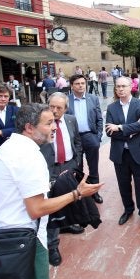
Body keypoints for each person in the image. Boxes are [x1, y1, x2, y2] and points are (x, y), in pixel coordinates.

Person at [0, 103, 102, 279]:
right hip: (25, 240)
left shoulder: (9, 147)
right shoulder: (29, 156)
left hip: (5, 234)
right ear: (29, 128)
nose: (55, 127)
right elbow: (37, 208)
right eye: (48, 123)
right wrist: (77, 193)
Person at [40, 92, 85, 267]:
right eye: (52, 106)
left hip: (68, 167)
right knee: (50, 206)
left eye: (59, 107)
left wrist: (76, 164)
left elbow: (77, 142)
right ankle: (52, 245)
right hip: (49, 170)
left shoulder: (71, 120)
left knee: (66, 201)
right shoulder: (41, 122)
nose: (55, 110)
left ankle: (66, 224)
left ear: (66, 108)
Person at [105, 76, 140, 229]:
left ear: (131, 86)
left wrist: (120, 127)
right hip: (120, 153)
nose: (120, 89)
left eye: (123, 86)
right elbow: (108, 132)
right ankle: (128, 209)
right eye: (118, 86)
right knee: (123, 184)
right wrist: (133, 129)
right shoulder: (111, 108)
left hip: (138, 152)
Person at [67, 74, 104, 203]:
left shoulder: (93, 98)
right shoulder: (66, 100)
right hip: (74, 139)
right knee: (77, 168)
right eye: (77, 83)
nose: (81, 86)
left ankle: (95, 193)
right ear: (72, 86)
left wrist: (98, 136)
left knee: (93, 168)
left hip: (90, 137)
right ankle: (80, 194)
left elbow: (99, 118)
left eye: (83, 83)